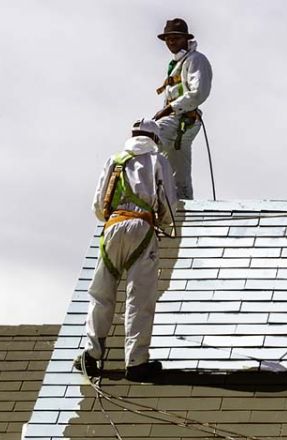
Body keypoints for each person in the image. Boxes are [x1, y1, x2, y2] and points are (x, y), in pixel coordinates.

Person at [74, 119, 177, 382]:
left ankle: (91, 354)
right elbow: (167, 203)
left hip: (113, 227)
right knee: (139, 297)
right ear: (154, 139)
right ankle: (136, 362)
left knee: (101, 292)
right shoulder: (158, 161)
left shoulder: (114, 160)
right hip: (141, 228)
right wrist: (165, 223)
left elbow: (99, 205)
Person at [153, 18, 212, 200]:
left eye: (176, 38)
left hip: (183, 117)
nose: (171, 42)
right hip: (178, 118)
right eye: (168, 39)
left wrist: (169, 109)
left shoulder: (196, 60)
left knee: (147, 138)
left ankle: (138, 190)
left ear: (186, 39)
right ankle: (182, 205)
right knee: (178, 169)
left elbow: (198, 93)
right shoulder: (178, 63)